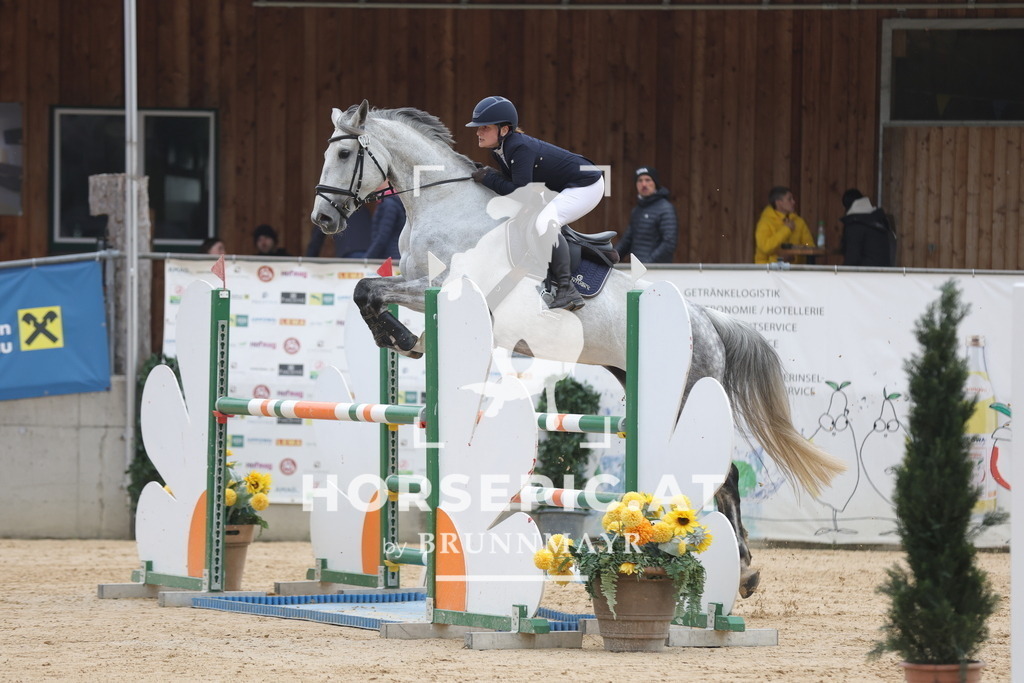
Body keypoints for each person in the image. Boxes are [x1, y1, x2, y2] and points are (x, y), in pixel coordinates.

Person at [467, 95, 604, 311]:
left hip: (587, 185)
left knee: (545, 222)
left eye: (484, 127)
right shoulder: (501, 150)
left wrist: (489, 178)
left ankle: (567, 290)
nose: (478, 132)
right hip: (564, 185)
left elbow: (522, 193)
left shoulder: (519, 148)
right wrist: (489, 174)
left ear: (504, 129)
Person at [615, 166, 678, 264]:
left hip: (656, 270)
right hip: (638, 269)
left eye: (648, 180)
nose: (644, 184)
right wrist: (610, 258)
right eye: (640, 180)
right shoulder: (637, 210)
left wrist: (648, 263)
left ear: (655, 183)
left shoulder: (665, 208)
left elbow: (669, 243)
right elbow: (627, 241)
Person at [753, 186, 814, 264]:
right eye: (789, 199)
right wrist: (786, 229)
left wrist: (794, 254)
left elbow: (809, 245)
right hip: (767, 271)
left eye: (793, 199)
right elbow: (765, 247)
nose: (793, 202)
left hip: (794, 271)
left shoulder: (799, 222)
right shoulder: (765, 222)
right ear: (779, 202)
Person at [840, 188, 895, 267]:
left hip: (866, 274)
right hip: (885, 273)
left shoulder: (855, 224)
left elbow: (852, 259)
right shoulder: (879, 219)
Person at [305, 206, 371, 258]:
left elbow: (317, 238)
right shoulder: (362, 208)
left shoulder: (330, 211)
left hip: (349, 254)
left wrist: (307, 262)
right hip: (369, 255)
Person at [365, 189, 406, 261]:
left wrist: (367, 258)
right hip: (395, 254)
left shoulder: (388, 204)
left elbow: (382, 236)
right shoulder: (395, 202)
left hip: (388, 256)